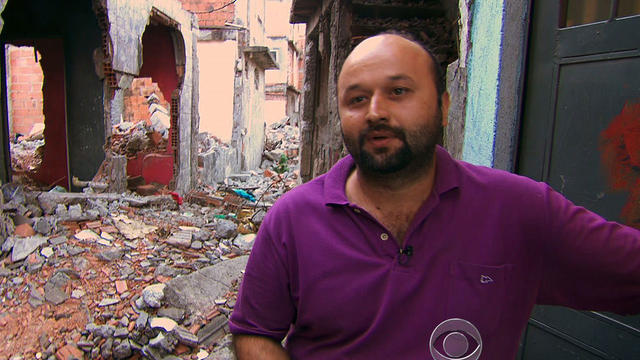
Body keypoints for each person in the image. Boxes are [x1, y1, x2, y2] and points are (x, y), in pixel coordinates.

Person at [229, 32, 640, 359]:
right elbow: (255, 333)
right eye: (356, 99)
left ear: (444, 107)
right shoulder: (293, 219)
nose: (375, 111)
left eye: (399, 92)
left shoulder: (519, 210)